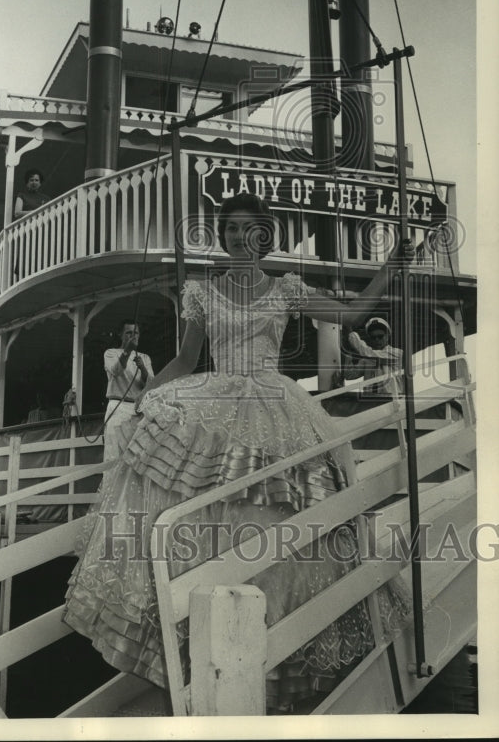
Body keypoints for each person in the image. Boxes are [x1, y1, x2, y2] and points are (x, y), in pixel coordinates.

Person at [63, 194, 412, 713]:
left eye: (249, 229)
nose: (238, 237)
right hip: (214, 404)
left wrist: (392, 268)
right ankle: (194, 645)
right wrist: (142, 400)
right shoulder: (202, 293)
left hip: (277, 410)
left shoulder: (286, 288)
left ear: (264, 236)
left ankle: (273, 658)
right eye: (230, 229)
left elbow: (353, 313)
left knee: (272, 524)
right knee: (202, 523)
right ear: (222, 236)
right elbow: (185, 360)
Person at [102, 321, 154, 462]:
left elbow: (151, 385)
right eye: (128, 332)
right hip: (118, 407)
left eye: (136, 332)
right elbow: (116, 371)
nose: (133, 335)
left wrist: (143, 368)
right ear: (121, 335)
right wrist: (127, 352)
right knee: (115, 454)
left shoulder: (145, 357)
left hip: (139, 409)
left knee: (138, 456)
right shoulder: (111, 352)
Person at [344, 317, 404, 396]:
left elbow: (368, 353)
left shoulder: (397, 353)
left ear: (387, 336)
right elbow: (349, 375)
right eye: (373, 337)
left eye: (380, 336)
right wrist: (348, 355)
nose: (377, 340)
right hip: (371, 401)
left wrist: (351, 334)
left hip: (392, 400)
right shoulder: (368, 359)